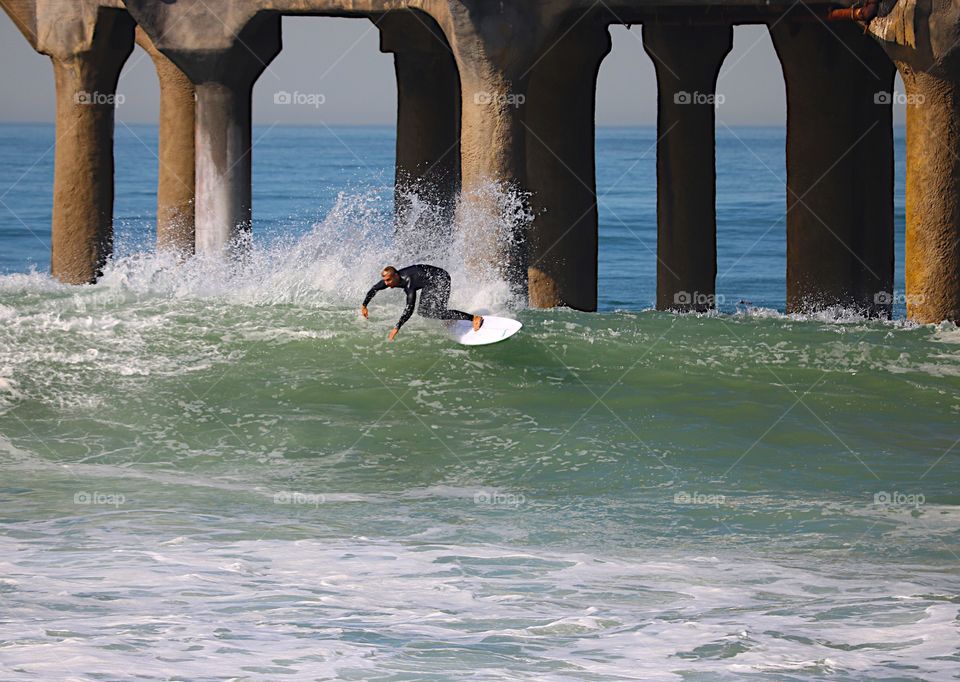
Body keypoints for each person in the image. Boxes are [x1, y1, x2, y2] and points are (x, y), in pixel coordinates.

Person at [361, 264, 483, 341]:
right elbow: (374, 289)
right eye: (385, 280)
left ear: (396, 276)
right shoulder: (391, 280)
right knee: (424, 312)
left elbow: (409, 308)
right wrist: (364, 305)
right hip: (429, 283)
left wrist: (396, 328)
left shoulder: (409, 283)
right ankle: (450, 318)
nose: (386, 283)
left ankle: (474, 318)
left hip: (441, 279)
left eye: (388, 280)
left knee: (437, 312)